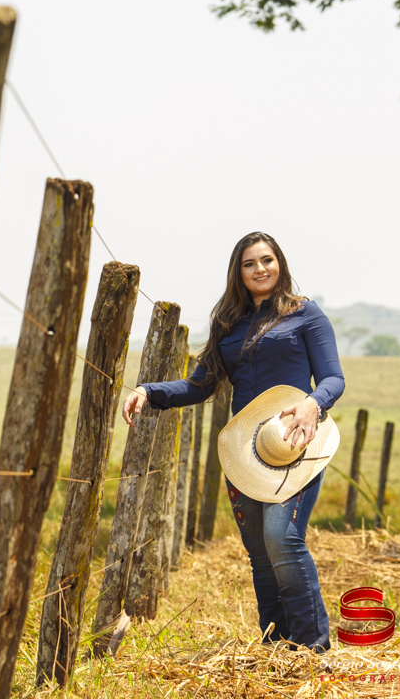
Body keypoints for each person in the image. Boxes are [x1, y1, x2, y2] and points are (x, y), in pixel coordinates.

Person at [121, 231, 344, 652]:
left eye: (267, 260)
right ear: (237, 272)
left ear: (280, 263)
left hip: (294, 442)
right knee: (260, 553)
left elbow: (333, 377)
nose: (260, 269)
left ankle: (310, 648)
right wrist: (149, 391)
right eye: (249, 263)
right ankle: (275, 645)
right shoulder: (227, 322)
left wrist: (313, 403)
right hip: (247, 450)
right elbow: (199, 385)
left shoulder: (306, 314)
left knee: (283, 539)